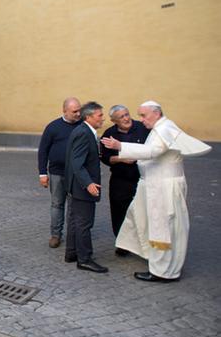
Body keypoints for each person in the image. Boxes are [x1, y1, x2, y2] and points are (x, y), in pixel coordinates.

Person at [101, 101, 211, 282]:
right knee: (137, 216)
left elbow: (153, 151)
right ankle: (152, 258)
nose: (140, 120)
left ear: (156, 113)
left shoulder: (163, 129)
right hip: (153, 185)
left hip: (162, 188)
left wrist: (121, 146)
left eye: (144, 115)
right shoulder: (160, 127)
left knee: (163, 229)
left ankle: (162, 272)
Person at [100, 105, 150, 256]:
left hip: (143, 177)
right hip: (120, 179)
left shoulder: (143, 128)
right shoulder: (109, 134)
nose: (126, 118)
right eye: (121, 117)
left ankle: (145, 244)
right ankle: (122, 244)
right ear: (113, 120)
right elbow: (105, 157)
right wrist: (120, 159)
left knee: (144, 210)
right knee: (119, 212)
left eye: (127, 114)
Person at [64, 101, 108, 273]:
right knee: (84, 223)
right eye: (100, 115)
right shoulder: (84, 133)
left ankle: (72, 253)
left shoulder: (83, 131)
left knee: (76, 221)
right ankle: (84, 259)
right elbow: (77, 163)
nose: (103, 119)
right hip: (82, 187)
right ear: (89, 117)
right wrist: (88, 183)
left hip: (77, 186)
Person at [37, 97, 82, 248]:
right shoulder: (53, 127)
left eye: (79, 110)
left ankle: (73, 235)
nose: (78, 114)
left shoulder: (83, 126)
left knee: (74, 206)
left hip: (77, 174)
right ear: (65, 111)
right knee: (57, 204)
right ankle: (56, 235)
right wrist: (42, 173)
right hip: (57, 173)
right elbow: (43, 151)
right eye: (74, 111)